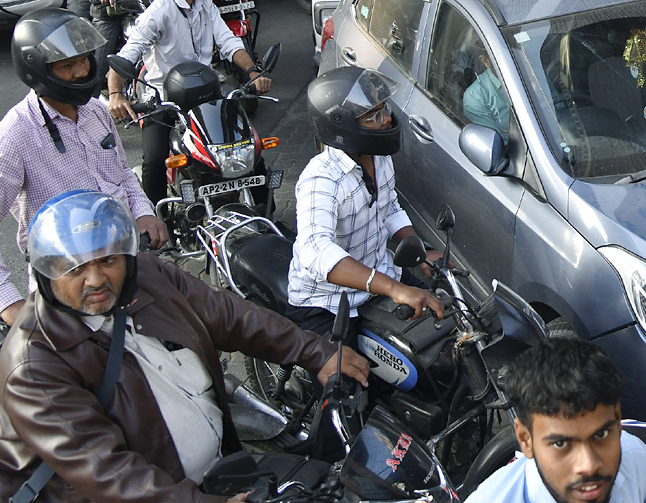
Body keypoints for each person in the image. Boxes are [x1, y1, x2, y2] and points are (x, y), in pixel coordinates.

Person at [0, 191, 369, 502]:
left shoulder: (148, 275)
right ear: (47, 273)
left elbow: (231, 315)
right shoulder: (33, 365)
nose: (96, 279)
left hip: (221, 471)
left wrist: (316, 351)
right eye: (75, 268)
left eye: (108, 260)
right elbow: (105, 471)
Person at [0, 10, 168, 326]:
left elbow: (120, 172)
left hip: (123, 263)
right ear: (35, 70)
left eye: (83, 60)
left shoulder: (95, 112)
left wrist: (144, 211)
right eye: (66, 66)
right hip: (68, 285)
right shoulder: (15, 134)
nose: (80, 72)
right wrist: (10, 305)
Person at [106, 0, 271, 204]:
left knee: (249, 146)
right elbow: (126, 56)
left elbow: (227, 41)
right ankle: (155, 225)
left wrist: (252, 71)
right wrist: (116, 94)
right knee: (154, 162)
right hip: (164, 102)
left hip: (206, 93)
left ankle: (265, 211)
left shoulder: (204, 0)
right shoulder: (158, 12)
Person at [287, 67, 444, 337]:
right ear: (343, 126)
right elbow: (316, 250)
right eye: (374, 117)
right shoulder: (321, 179)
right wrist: (396, 289)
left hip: (380, 272)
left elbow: (390, 207)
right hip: (330, 302)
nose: (386, 120)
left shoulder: (379, 157)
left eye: (384, 109)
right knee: (348, 375)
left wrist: (421, 255)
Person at [466, 338, 646, 503]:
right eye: (561, 444)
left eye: (600, 436)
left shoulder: (634, 458)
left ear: (618, 421)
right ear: (525, 440)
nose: (588, 465)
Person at [463, 47, 510, 136]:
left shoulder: (533, 74)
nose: (513, 62)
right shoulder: (476, 96)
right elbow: (494, 144)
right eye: (504, 57)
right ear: (486, 61)